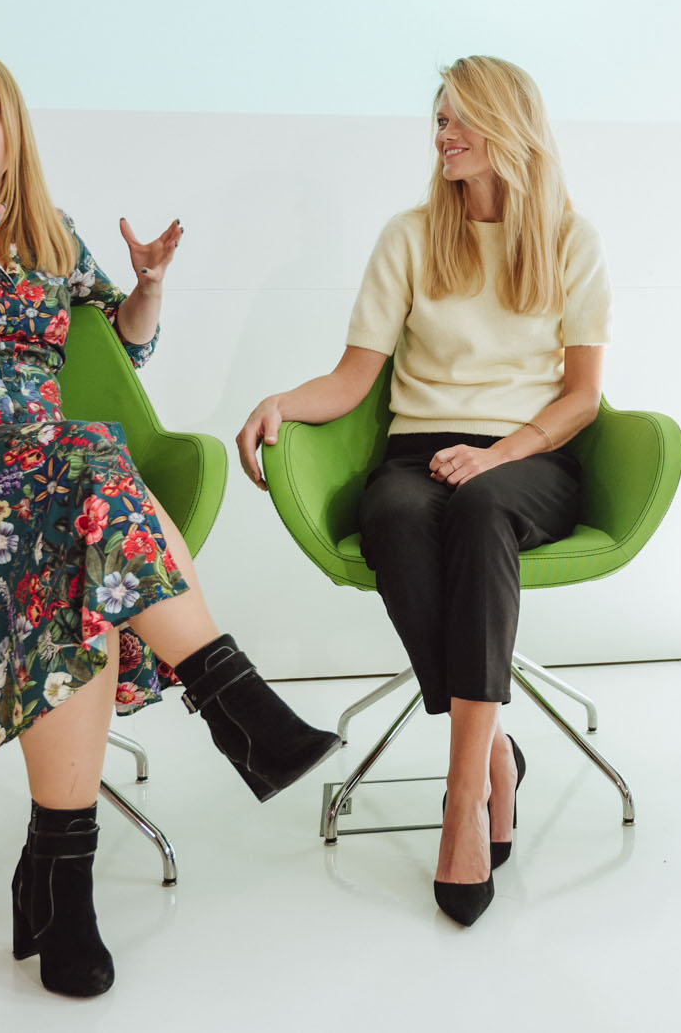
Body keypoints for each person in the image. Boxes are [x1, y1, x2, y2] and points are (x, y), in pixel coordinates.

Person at [0, 46, 339, 997]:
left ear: (11, 125)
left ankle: (63, 882)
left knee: (73, 541)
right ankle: (234, 702)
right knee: (81, 457)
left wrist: (147, 288)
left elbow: (120, 348)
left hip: (34, 487)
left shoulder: (49, 233)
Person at [237, 55, 609, 927]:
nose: (444, 135)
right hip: (418, 450)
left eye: (461, 119)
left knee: (479, 508)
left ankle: (461, 795)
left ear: (508, 127)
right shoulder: (409, 236)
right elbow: (352, 377)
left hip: (531, 455)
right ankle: (494, 757)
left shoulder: (570, 237)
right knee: (395, 514)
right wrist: (278, 402)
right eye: (440, 120)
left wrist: (499, 453)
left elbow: (583, 397)